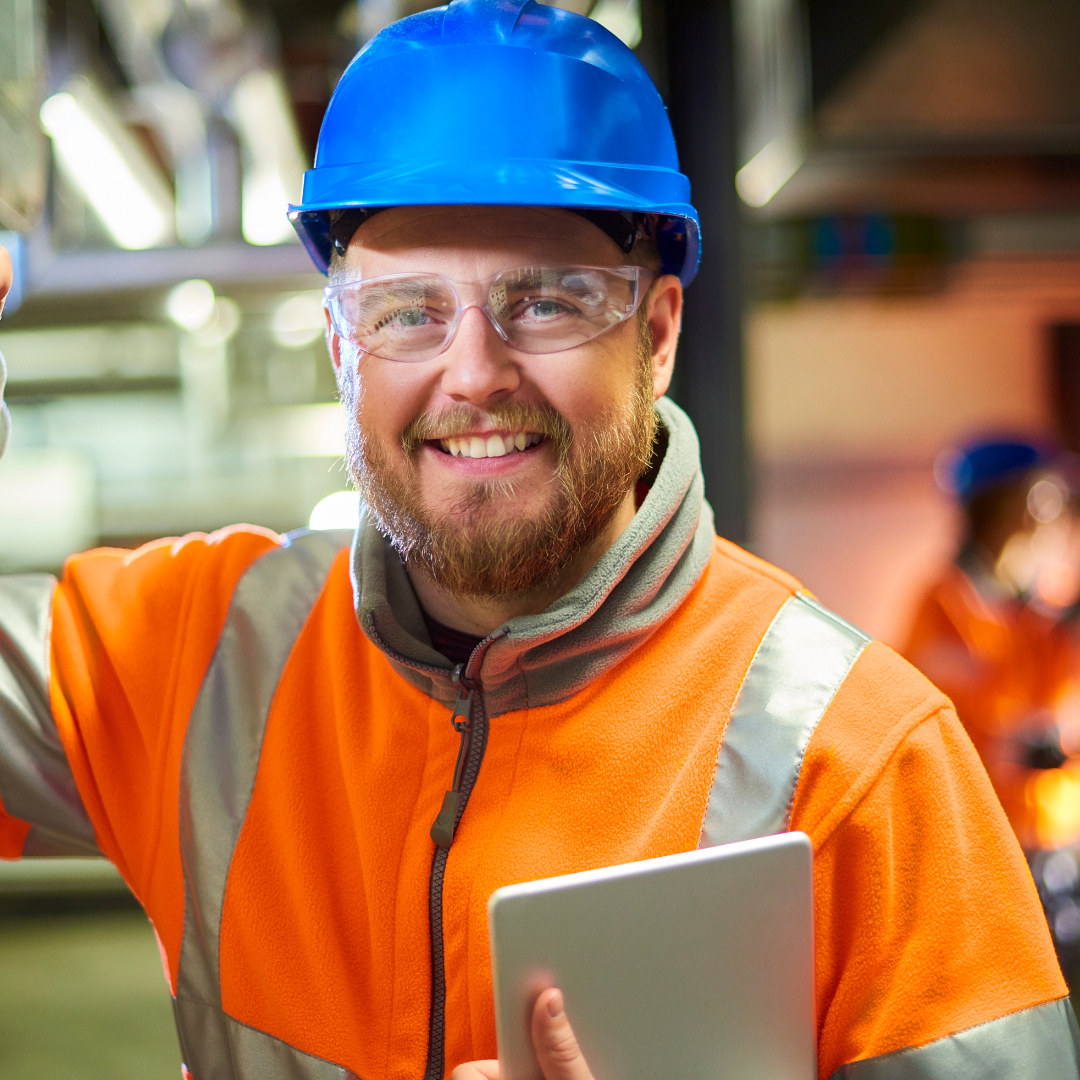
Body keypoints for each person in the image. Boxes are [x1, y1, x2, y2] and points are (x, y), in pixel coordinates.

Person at [0, 3, 1076, 1078]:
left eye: (548, 301)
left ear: (656, 336)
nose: (473, 373)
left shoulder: (863, 756)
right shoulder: (194, 655)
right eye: (407, 310)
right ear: (341, 344)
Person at [905, 439, 1080, 1000]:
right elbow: (954, 721)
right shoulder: (943, 607)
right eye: (1041, 496)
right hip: (990, 853)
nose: (1051, 512)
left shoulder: (1040, 609)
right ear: (1003, 504)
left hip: (1057, 841)